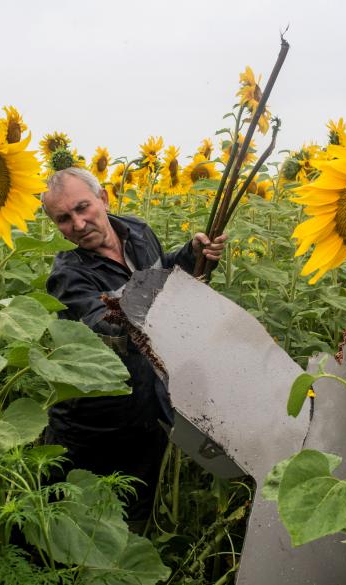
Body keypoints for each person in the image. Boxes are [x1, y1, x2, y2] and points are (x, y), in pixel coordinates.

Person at [40, 167, 227, 524]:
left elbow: (164, 271)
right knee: (78, 524)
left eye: (83, 208)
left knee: (137, 513)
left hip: (148, 408)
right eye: (64, 219)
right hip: (95, 425)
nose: (78, 225)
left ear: (104, 198)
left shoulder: (138, 231)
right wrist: (171, 302)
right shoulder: (68, 274)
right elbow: (111, 329)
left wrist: (192, 255)